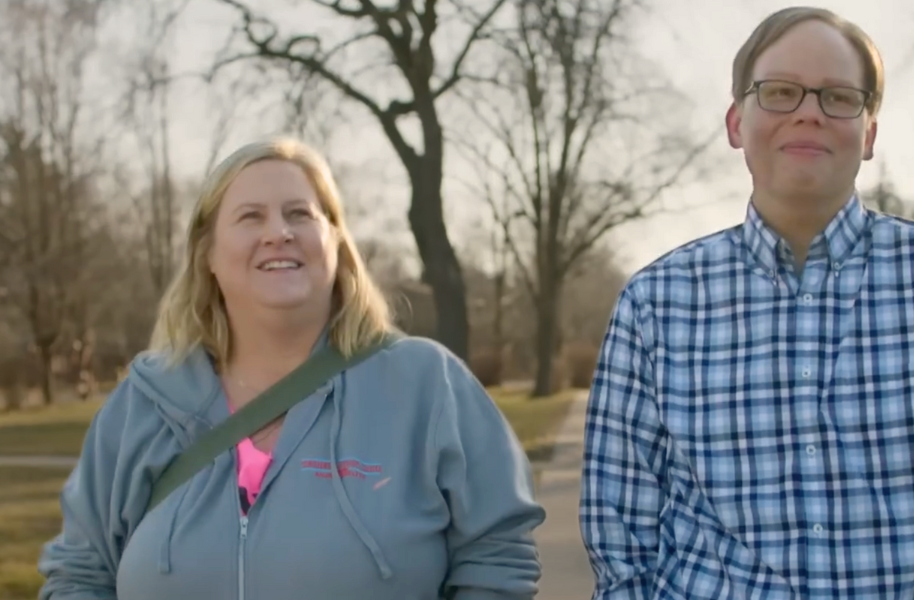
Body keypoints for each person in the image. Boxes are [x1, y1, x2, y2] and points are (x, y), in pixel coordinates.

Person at [580, 6, 914, 599]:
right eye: (779, 92)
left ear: (870, 133)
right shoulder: (654, 306)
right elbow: (620, 536)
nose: (808, 111)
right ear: (735, 123)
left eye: (838, 97)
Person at [37, 137, 545, 600]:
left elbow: (497, 558)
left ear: (337, 243)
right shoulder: (145, 401)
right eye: (251, 216)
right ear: (207, 253)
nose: (278, 233)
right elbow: (81, 573)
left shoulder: (426, 385)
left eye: (300, 214)